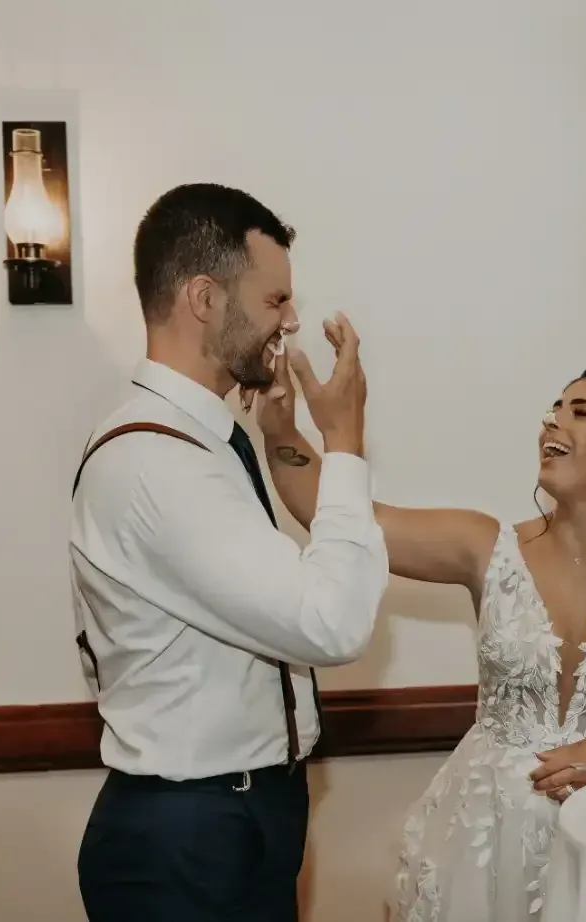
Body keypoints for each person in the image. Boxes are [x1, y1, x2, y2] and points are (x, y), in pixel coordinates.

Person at [256, 355, 586, 921]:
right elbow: (348, 519)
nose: (553, 422)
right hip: (484, 846)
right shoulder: (487, 546)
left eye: (581, 412)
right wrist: (281, 432)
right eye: (553, 410)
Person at [70, 182, 387, 922]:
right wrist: (343, 442)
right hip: (187, 836)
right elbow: (329, 624)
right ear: (205, 299)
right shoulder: (157, 461)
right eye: (275, 300)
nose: (292, 320)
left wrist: (283, 438)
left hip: (240, 812)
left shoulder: (206, 441)